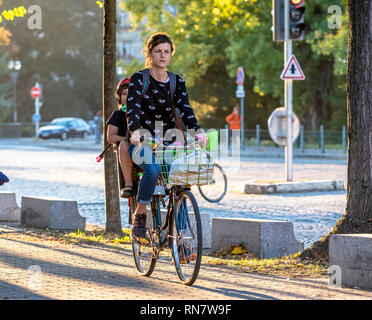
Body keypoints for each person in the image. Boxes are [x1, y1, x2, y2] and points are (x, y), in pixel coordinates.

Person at [126, 32, 207, 237]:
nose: (163, 56)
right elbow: (132, 110)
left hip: (169, 142)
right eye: (158, 51)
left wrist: (197, 132)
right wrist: (135, 131)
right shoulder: (139, 79)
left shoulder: (176, 82)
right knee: (152, 171)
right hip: (143, 140)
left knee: (179, 180)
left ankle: (181, 237)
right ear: (149, 53)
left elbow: (186, 110)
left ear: (171, 54)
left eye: (167, 52)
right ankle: (141, 212)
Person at [106, 77, 133, 197]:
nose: (128, 97)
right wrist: (123, 139)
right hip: (126, 148)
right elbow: (110, 137)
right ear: (119, 97)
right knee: (123, 146)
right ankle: (128, 183)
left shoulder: (145, 114)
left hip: (143, 145)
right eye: (124, 94)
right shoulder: (118, 115)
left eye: (131, 94)